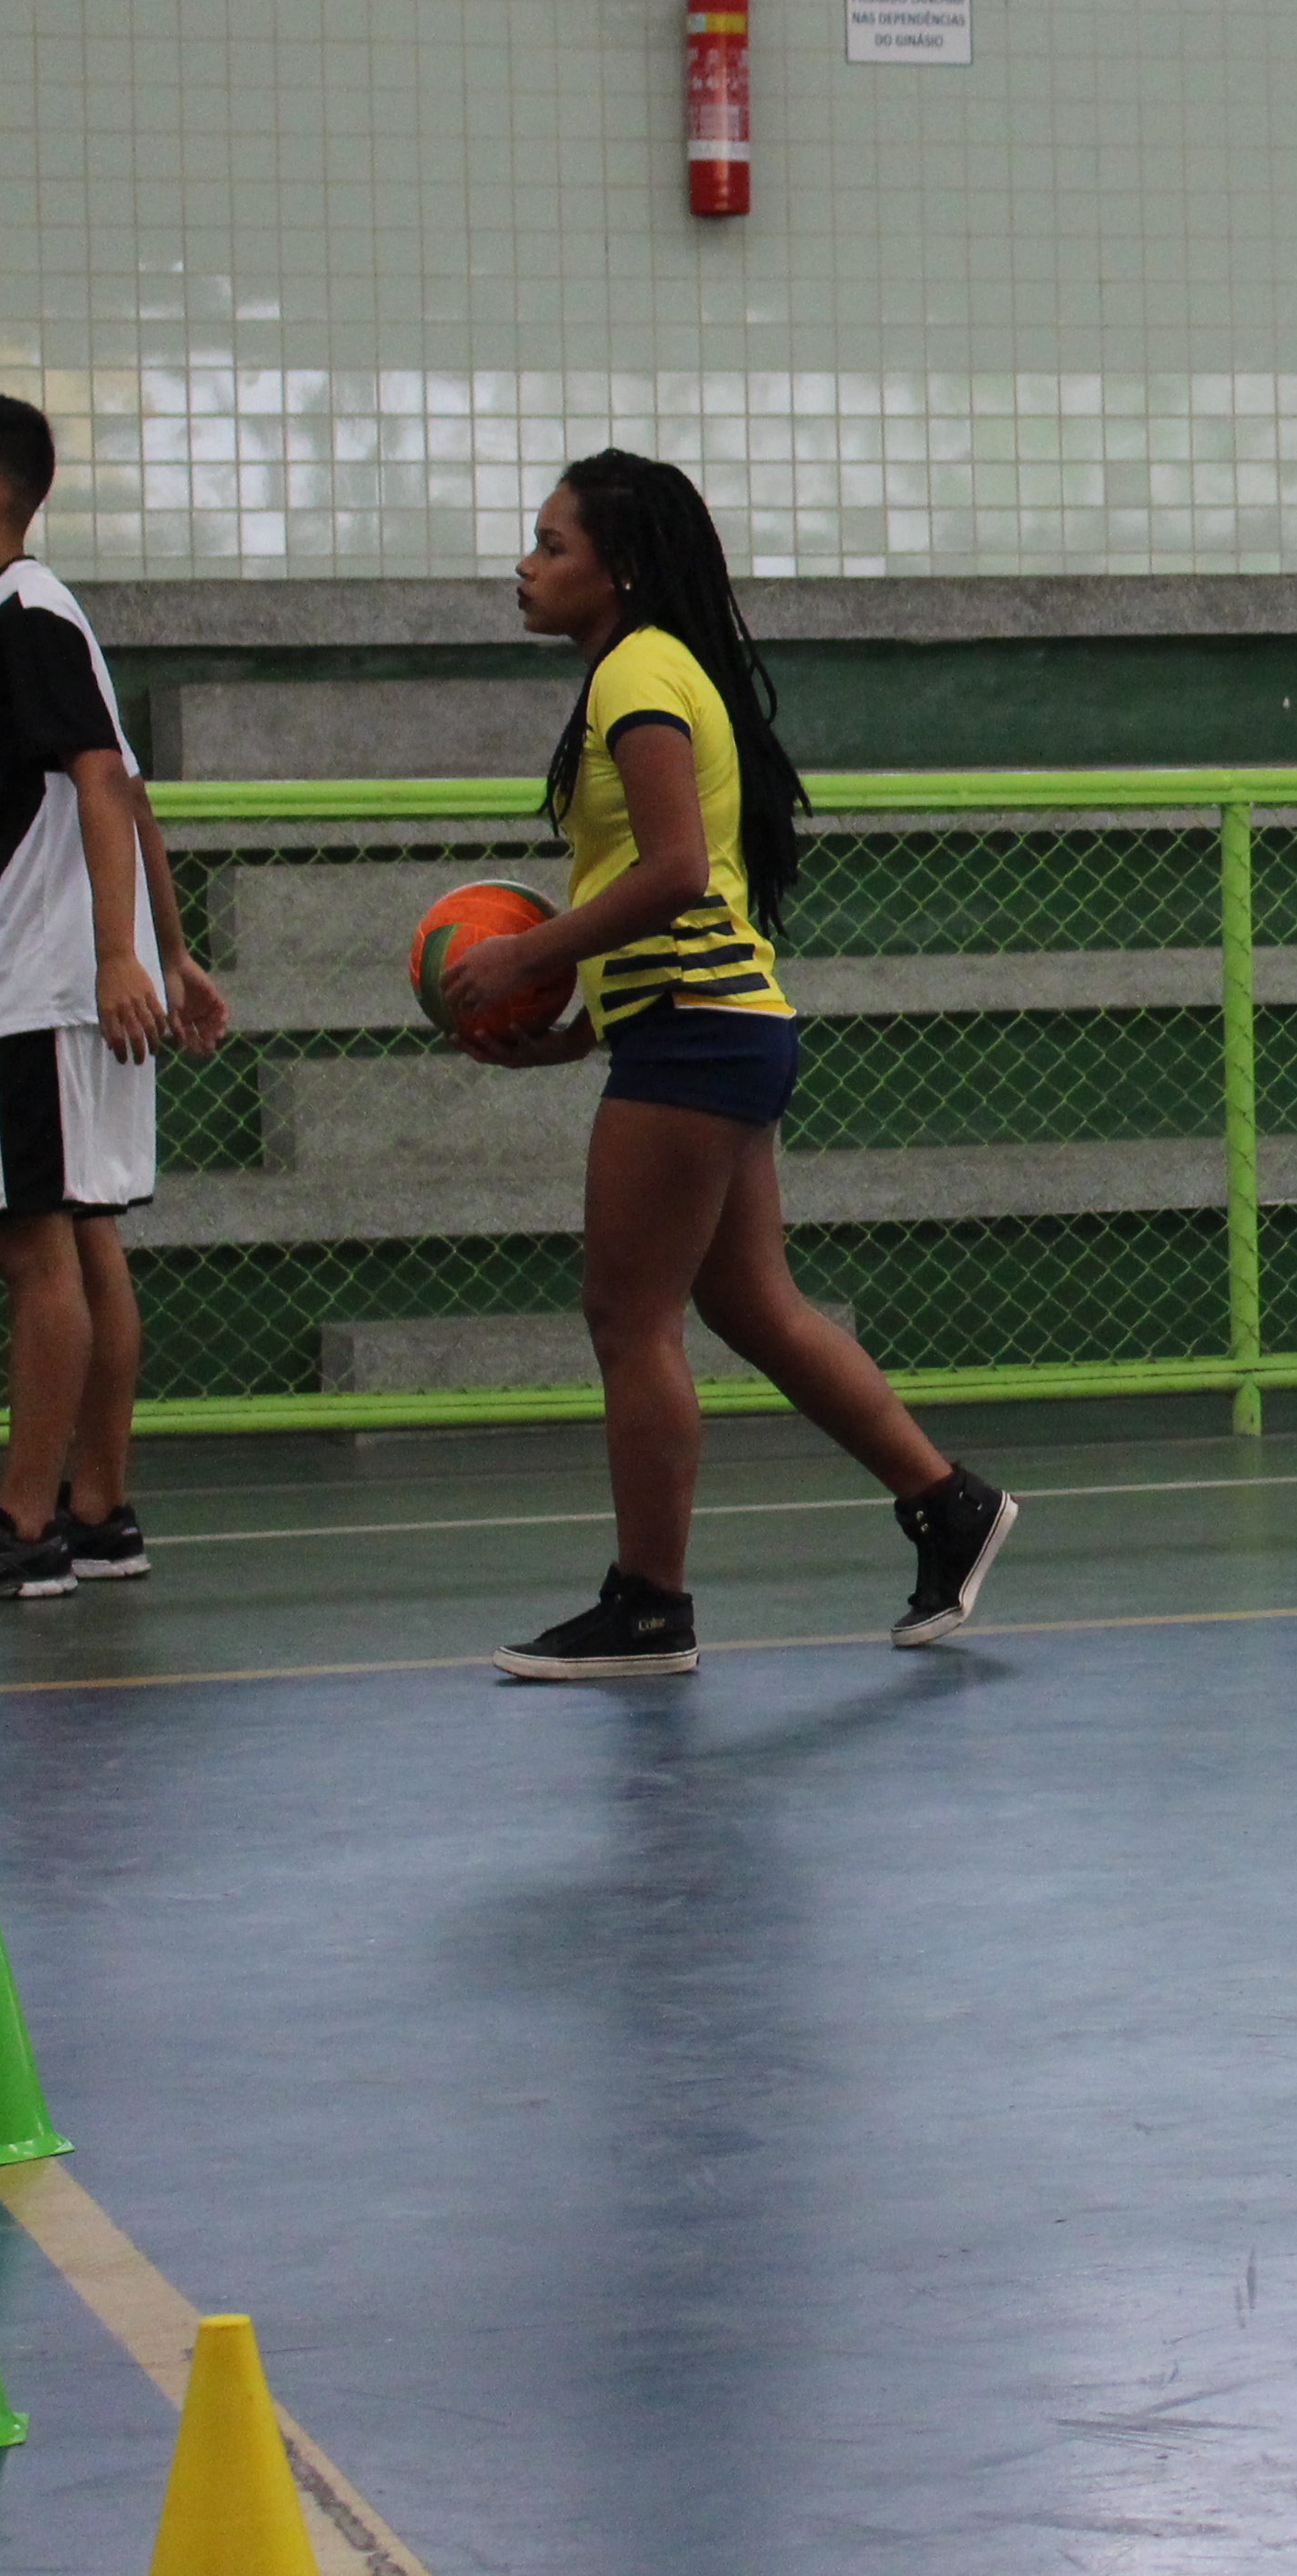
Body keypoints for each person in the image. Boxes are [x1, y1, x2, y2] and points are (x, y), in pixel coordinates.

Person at [438, 450, 1015, 1680]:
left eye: (551, 545)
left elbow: (677, 871)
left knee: (627, 1315)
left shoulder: (639, 675)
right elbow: (674, 895)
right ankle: (945, 1502)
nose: (524, 566)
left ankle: (649, 1606)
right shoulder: (646, 669)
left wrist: (527, 952)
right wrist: (582, 1025)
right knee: (749, 1302)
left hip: (701, 1028)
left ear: (622, 567)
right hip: (711, 1016)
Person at [0, 395, 228, 1606]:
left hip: (42, 982)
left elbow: (97, 779)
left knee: (34, 1250)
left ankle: (22, 1524)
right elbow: (126, 784)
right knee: (83, 1236)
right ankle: (99, 1512)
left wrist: (124, 958)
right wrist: (167, 952)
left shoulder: (24, 614)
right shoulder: (30, 622)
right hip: (74, 974)